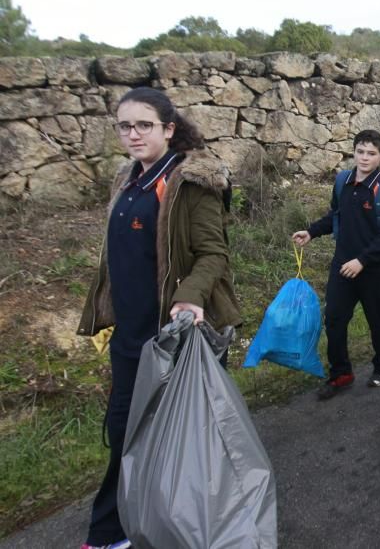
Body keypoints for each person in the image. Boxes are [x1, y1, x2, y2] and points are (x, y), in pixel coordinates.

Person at [77, 87, 241, 549]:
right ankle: (115, 531)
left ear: (168, 129)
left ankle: (206, 527)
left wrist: (189, 297)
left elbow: (213, 253)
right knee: (124, 430)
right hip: (132, 336)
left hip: (178, 338)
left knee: (190, 440)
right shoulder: (126, 180)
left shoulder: (191, 182)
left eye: (144, 125)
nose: (133, 134)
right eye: (125, 126)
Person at [292, 130, 380, 399]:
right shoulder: (343, 181)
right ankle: (341, 373)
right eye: (360, 152)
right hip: (342, 265)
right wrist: (312, 232)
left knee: (377, 321)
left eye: (371, 153)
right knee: (335, 319)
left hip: (375, 269)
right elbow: (335, 215)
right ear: (354, 152)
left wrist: (362, 261)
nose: (365, 158)